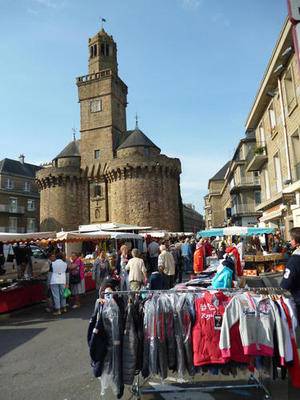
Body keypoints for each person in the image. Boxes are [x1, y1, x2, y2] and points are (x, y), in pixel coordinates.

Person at [280, 227, 300, 323]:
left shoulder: (295, 259)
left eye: (291, 239)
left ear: (295, 242)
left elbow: (286, 282)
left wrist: (283, 287)